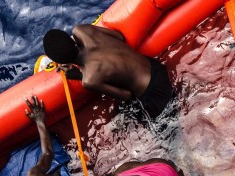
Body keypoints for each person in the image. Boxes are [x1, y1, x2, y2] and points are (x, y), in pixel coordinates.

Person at [42, 25, 173, 119]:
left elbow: (127, 95)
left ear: (63, 62)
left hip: (154, 95)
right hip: (155, 67)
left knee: (123, 116)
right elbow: (120, 37)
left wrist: (78, 75)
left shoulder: (89, 79)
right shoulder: (82, 30)